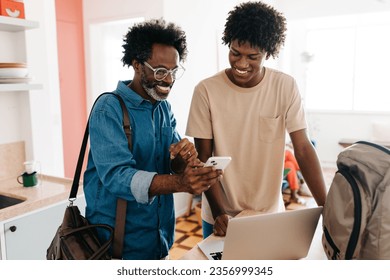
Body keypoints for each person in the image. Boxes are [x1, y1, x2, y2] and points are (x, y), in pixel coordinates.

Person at [83, 19, 223, 260]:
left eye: (173, 71)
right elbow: (117, 177)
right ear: (137, 65)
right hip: (117, 247)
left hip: (160, 240)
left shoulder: (162, 108)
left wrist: (182, 157)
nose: (168, 80)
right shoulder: (108, 108)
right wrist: (180, 183)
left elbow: (170, 164)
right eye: (160, 71)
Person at [186, 1, 327, 238]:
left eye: (253, 56)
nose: (242, 64)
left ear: (268, 52)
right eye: (235, 53)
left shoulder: (285, 86)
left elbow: (302, 148)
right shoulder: (206, 91)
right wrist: (221, 213)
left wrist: (327, 207)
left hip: (269, 214)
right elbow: (204, 159)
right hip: (221, 216)